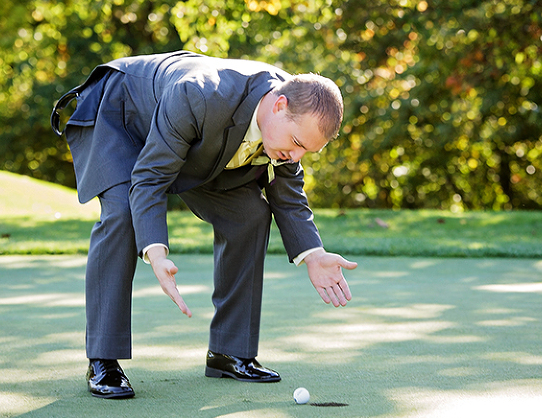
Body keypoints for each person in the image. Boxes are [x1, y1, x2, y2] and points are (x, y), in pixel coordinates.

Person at [51, 51, 357, 399]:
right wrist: (156, 251)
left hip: (192, 145)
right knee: (122, 214)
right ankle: (102, 359)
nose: (297, 157)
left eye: (307, 152)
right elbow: (150, 177)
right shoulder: (199, 94)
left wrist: (313, 255)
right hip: (123, 116)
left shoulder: (291, 119)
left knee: (249, 215)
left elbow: (287, 195)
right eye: (298, 145)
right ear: (278, 105)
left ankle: (229, 351)